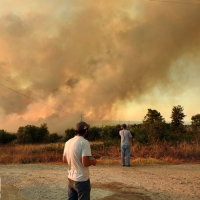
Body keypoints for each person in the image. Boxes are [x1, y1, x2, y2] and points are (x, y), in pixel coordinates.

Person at [63, 121, 97, 200]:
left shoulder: (68, 142)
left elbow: (64, 160)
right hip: (82, 180)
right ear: (86, 131)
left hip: (71, 179)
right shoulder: (84, 143)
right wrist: (93, 162)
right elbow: (85, 162)